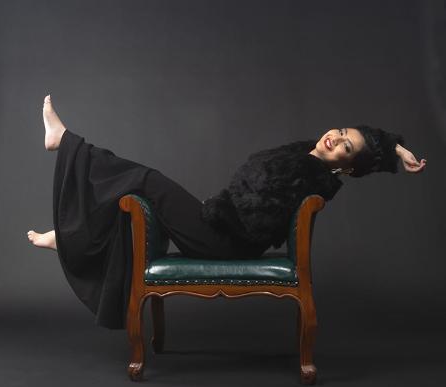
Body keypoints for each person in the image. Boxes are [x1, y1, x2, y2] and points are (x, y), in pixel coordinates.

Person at [26, 95, 427, 328]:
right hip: (219, 225)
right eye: (339, 132)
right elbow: (252, 197)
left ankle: (67, 143)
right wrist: (394, 147)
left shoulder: (315, 176)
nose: (334, 139)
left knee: (146, 180)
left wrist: (217, 211)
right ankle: (71, 238)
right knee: (132, 196)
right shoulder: (306, 156)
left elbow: (258, 219)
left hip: (222, 240)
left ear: (347, 166)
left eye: (345, 147)